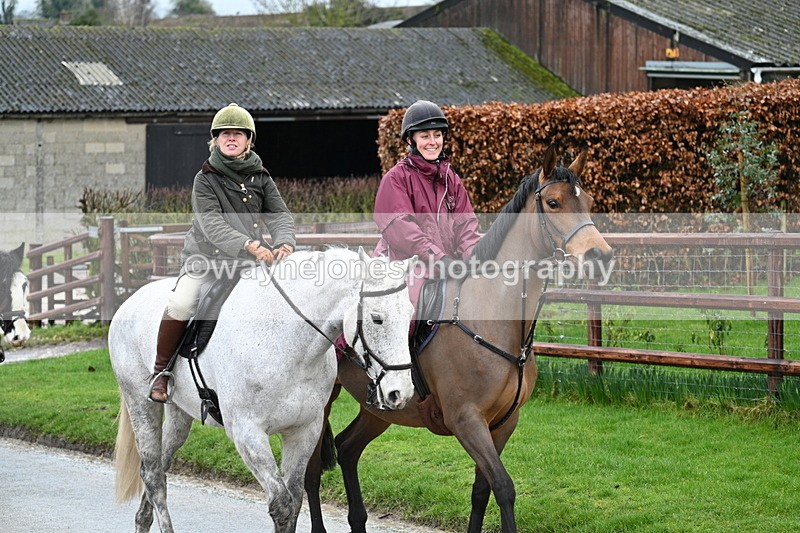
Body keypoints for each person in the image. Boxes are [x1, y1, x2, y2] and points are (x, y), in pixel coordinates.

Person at [148, 103, 296, 403]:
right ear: (215, 139)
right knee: (182, 302)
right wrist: (249, 245)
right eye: (225, 134)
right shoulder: (204, 178)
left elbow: (279, 215)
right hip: (207, 258)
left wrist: (284, 242)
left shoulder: (261, 177)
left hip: (248, 261)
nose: (232, 139)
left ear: (249, 140)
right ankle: (161, 371)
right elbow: (212, 224)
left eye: (238, 134)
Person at [373, 99, 481, 315]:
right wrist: (440, 259)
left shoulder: (452, 179)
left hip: (446, 265)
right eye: (425, 136)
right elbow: (401, 229)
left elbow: (466, 225)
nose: (432, 142)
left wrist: (475, 259)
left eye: (437, 135)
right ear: (411, 140)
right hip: (405, 265)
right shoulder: (395, 178)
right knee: (410, 312)